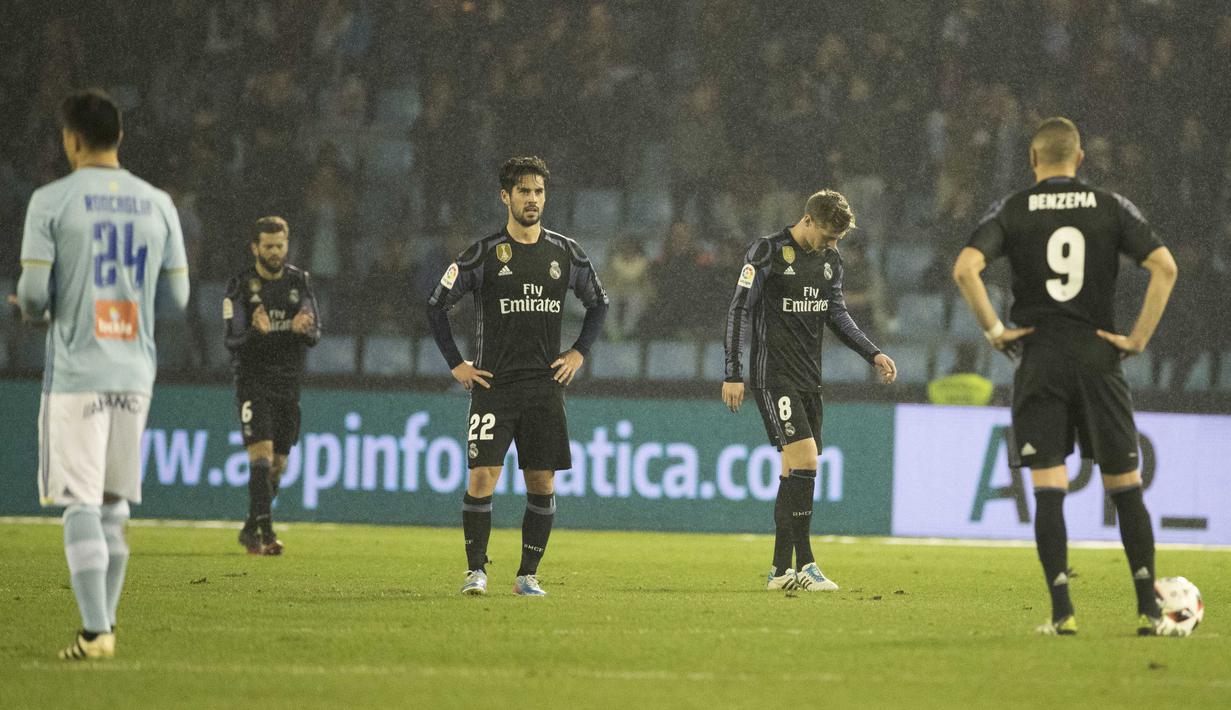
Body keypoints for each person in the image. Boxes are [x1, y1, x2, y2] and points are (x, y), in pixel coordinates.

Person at [952, 117, 1182, 636]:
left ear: (1033, 162)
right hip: (1099, 357)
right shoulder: (1109, 205)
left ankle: (1063, 613)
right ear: (1079, 160)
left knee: (1050, 489)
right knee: (1125, 487)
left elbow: (966, 267)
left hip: (1040, 360)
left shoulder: (1013, 208)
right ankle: (1149, 609)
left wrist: (994, 330)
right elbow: (1165, 267)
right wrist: (1138, 340)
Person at [14, 90, 190, 659]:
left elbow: (36, 296)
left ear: (71, 139)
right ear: (120, 137)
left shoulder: (51, 201)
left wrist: (37, 307)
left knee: (80, 503)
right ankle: (102, 627)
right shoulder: (159, 202)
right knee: (114, 505)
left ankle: (95, 632)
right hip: (135, 369)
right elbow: (178, 298)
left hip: (78, 370)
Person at [426, 156, 608, 597]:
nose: (532, 199)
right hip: (494, 385)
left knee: (541, 481)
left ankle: (527, 575)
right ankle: (475, 572)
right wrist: (457, 364)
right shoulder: (484, 254)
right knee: (482, 477)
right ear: (505, 196)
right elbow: (436, 305)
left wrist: (579, 353)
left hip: (545, 388)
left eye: (539, 191)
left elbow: (599, 304)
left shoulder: (565, 252)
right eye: (524, 191)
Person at [722, 190, 897, 592]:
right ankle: (808, 564)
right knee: (806, 460)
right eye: (829, 236)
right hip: (774, 376)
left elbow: (836, 314)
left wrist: (873, 353)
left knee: (794, 471)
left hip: (809, 378)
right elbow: (739, 310)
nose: (833, 245)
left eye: (838, 239)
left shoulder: (830, 261)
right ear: (808, 219)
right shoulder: (767, 252)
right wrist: (733, 371)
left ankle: (780, 571)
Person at [224, 216, 321, 555]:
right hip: (253, 381)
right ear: (255, 248)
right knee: (261, 456)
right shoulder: (240, 286)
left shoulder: (299, 281)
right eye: (268, 246)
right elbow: (232, 340)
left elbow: (315, 333)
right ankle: (265, 533)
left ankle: (252, 526)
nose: (275, 252)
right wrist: (255, 332)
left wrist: (302, 328)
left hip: (288, 383)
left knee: (278, 465)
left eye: (280, 245)